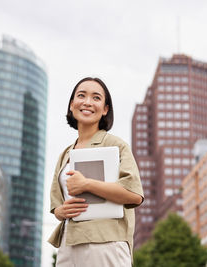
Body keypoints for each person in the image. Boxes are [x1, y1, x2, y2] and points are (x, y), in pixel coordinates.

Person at [48, 77, 144, 267]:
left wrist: (87, 185)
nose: (87, 102)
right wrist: (60, 211)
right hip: (68, 243)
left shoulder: (116, 145)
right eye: (81, 95)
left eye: (96, 98)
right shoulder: (65, 154)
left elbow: (134, 195)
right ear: (72, 105)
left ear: (105, 109)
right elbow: (57, 207)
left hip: (105, 242)